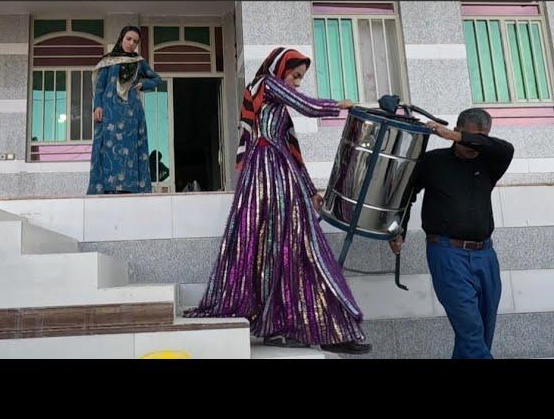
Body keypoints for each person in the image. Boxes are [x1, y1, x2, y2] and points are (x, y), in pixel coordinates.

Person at [184, 47, 371, 354]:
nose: (297, 83)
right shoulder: (268, 85)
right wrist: (339, 105)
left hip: (281, 175)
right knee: (280, 247)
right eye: (295, 76)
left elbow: (294, 151)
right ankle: (278, 324)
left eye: (300, 79)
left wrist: (311, 190)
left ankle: (310, 326)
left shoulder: (277, 102)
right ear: (279, 68)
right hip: (267, 175)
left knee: (293, 249)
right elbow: (308, 107)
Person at [390, 108, 514, 359]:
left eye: (481, 139)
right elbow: (406, 195)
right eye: (467, 137)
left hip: (486, 256)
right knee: (470, 329)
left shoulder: (491, 160)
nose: (474, 145)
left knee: (481, 332)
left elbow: (505, 148)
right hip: (446, 253)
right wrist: (397, 229)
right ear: (458, 128)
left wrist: (455, 137)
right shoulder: (433, 161)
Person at [87, 26, 163, 194]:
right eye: (129, 39)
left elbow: (157, 79)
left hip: (131, 113)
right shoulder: (108, 60)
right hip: (109, 111)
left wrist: (143, 84)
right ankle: (106, 189)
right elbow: (100, 87)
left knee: (130, 149)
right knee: (107, 147)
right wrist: (97, 106)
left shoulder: (138, 62)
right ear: (121, 38)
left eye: (135, 41)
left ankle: (130, 188)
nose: (131, 43)